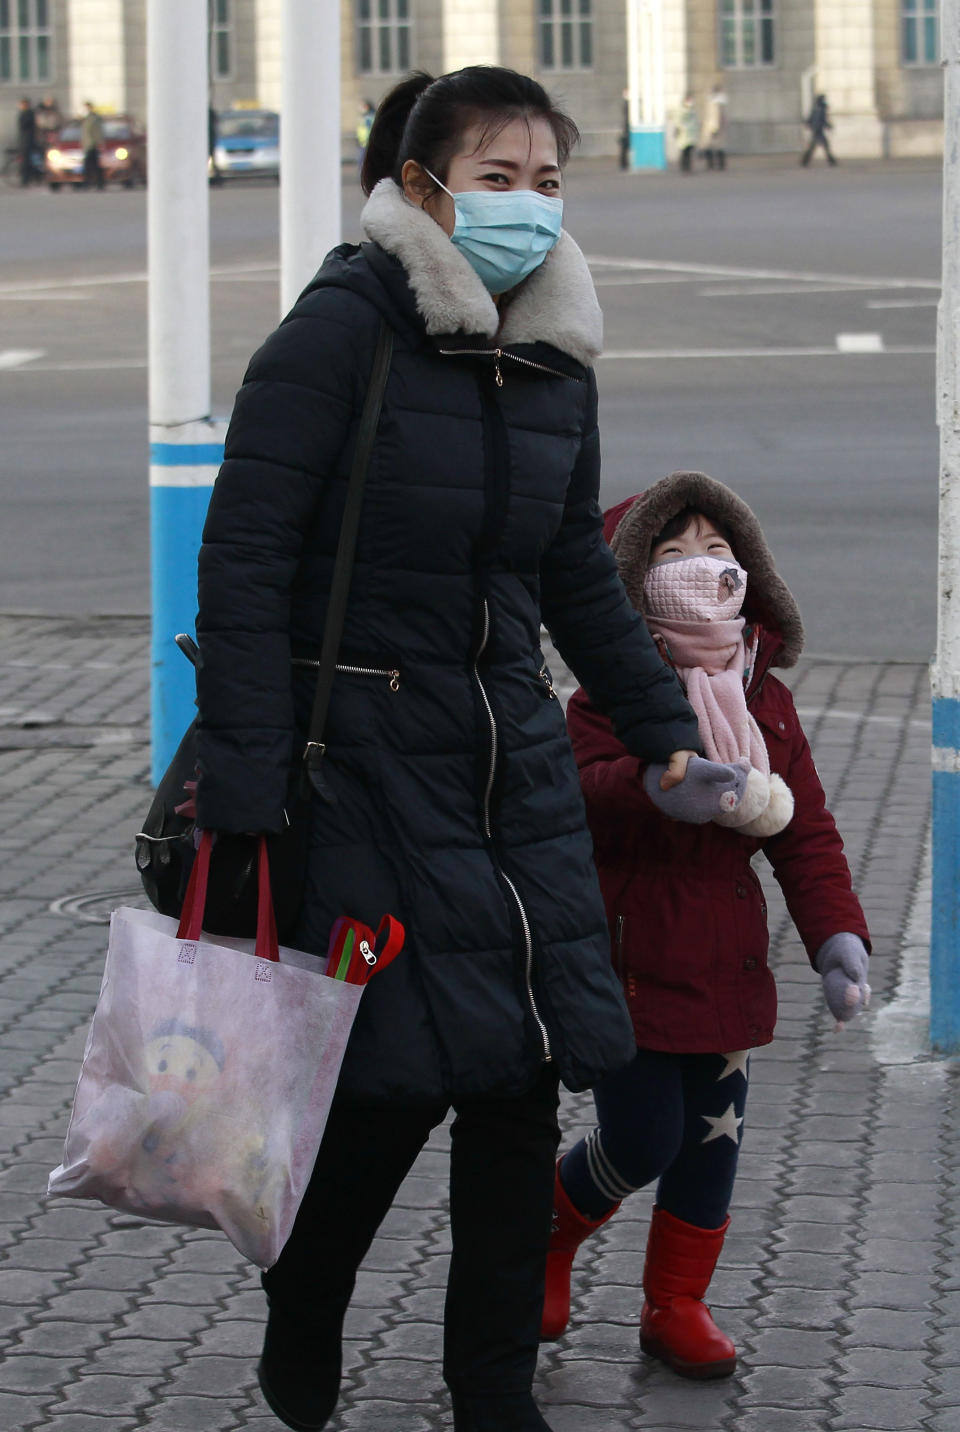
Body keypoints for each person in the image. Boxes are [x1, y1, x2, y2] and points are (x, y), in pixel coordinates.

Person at [193, 66, 721, 1432]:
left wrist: (662, 735)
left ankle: (492, 1389)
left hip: (506, 781)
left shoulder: (551, 356)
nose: (528, 210)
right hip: (352, 779)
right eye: (498, 179)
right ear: (423, 187)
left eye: (548, 182)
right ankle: (303, 1307)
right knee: (380, 1078)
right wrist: (252, 789)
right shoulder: (339, 334)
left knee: (518, 1076)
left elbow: (568, 565)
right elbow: (243, 561)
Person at [541, 471, 871, 1381]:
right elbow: (576, 793)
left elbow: (804, 829)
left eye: (717, 549)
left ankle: (676, 1304)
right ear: (631, 581)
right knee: (643, 1137)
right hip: (630, 962)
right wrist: (654, 788)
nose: (702, 566)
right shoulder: (606, 694)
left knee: (711, 1143)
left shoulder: (763, 695)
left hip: (726, 964)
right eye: (673, 551)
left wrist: (837, 938)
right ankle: (548, 1232)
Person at [801, 93, 837, 166]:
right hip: (818, 131)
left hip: (817, 131)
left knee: (816, 147)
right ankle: (831, 161)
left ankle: (805, 161)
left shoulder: (816, 109)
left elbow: (810, 119)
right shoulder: (820, 110)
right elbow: (822, 120)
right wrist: (828, 126)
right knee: (822, 146)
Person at [700, 83, 727, 171]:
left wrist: (715, 128)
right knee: (714, 147)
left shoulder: (715, 103)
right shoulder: (715, 102)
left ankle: (716, 165)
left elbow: (716, 117)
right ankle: (716, 165)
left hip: (713, 128)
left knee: (714, 146)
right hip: (712, 127)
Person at [81, 100, 104, 190]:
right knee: (92, 165)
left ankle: (92, 183)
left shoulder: (94, 118)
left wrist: (99, 143)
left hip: (92, 144)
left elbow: (97, 132)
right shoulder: (86, 118)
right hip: (87, 145)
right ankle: (97, 183)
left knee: (91, 165)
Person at [16, 97, 37, 187]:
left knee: (26, 161)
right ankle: (26, 179)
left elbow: (24, 126)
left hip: (27, 141)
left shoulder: (28, 114)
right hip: (25, 140)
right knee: (26, 161)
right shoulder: (26, 113)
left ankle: (26, 180)